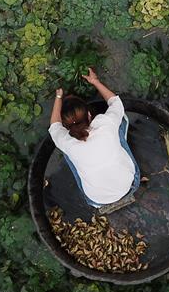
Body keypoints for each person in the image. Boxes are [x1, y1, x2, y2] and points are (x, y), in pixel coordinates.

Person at [48, 68, 144, 208]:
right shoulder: (104, 123)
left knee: (66, 152)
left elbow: (54, 127)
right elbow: (116, 103)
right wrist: (95, 82)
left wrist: (58, 98)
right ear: (89, 114)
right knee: (119, 120)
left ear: (65, 125)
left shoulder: (67, 142)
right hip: (130, 185)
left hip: (96, 200)